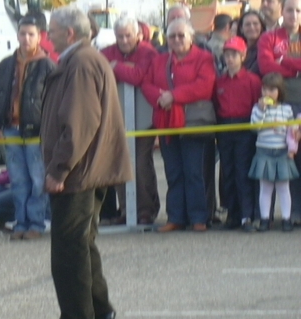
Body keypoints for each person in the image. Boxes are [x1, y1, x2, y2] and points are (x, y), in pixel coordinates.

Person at [37, 7, 132, 319]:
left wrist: (59, 169)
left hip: (78, 172)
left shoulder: (80, 64)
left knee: (69, 246)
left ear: (70, 34)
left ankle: (78, 318)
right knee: (83, 242)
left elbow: (79, 124)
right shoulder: (86, 60)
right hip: (88, 169)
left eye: (52, 29)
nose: (47, 35)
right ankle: (99, 310)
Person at [141, 18, 217, 232]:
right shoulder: (159, 60)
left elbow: (204, 86)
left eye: (181, 35)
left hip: (194, 123)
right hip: (166, 123)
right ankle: (175, 217)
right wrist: (160, 97)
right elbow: (146, 83)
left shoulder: (205, 58)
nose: (176, 39)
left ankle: (199, 217)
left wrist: (173, 96)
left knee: (195, 173)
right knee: (173, 172)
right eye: (172, 36)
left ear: (191, 37)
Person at [0, 15, 55, 240]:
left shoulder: (47, 64)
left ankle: (36, 223)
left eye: (31, 34)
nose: (26, 38)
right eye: (22, 34)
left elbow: (52, 101)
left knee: (38, 179)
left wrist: (48, 129)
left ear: (39, 37)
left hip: (35, 129)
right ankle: (21, 222)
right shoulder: (7, 63)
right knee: (18, 179)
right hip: (11, 127)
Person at [101, 13, 160, 225]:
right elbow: (100, 72)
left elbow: (138, 77)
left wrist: (116, 67)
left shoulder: (148, 52)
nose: (124, 41)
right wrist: (124, 69)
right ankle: (127, 210)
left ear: (137, 35)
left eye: (128, 36)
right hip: (117, 119)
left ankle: (146, 210)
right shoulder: (107, 51)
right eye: (120, 37)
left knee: (141, 165)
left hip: (144, 119)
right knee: (120, 164)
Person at [258, 0, 301, 223]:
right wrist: (295, 67)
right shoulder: (269, 37)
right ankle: (290, 213)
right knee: (288, 159)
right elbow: (266, 66)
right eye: (290, 10)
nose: (294, 14)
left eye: (298, 10)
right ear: (282, 12)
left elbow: (276, 65)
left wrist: (283, 61)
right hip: (283, 107)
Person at [214, 36, 262, 231]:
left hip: (244, 127)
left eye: (234, 54)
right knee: (228, 172)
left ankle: (247, 216)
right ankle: (233, 215)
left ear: (243, 56)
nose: (230, 58)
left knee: (243, 172)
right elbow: (217, 105)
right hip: (225, 128)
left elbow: (256, 104)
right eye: (227, 54)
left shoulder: (252, 80)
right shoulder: (220, 81)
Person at [249, 73, 298, 231]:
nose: (267, 93)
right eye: (265, 90)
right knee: (265, 188)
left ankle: (286, 219)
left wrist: (292, 148)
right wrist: (262, 111)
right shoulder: (257, 108)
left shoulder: (287, 109)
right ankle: (264, 219)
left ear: (280, 91)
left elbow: (292, 131)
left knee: (284, 188)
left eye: (272, 90)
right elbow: (255, 127)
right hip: (264, 151)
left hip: (282, 152)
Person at [236, 10, 266, 75]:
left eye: (255, 24)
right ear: (241, 29)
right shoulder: (235, 50)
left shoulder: (266, 49)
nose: (252, 27)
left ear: (262, 27)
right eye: (247, 24)